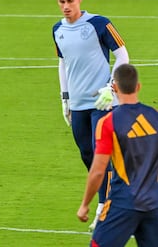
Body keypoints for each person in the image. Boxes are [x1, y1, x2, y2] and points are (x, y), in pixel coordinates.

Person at [52, 0, 129, 230]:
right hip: (77, 103)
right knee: (86, 153)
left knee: (100, 154)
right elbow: (63, 63)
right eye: (62, 2)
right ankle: (110, 196)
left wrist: (111, 87)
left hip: (103, 102)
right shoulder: (57, 30)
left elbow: (123, 55)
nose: (66, 7)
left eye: (70, 1)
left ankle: (103, 208)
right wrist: (65, 98)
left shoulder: (99, 23)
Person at [77, 63, 158, 247]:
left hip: (124, 202)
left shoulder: (108, 123)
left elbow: (98, 171)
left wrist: (85, 204)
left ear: (114, 88)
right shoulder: (154, 116)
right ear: (138, 86)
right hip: (154, 203)